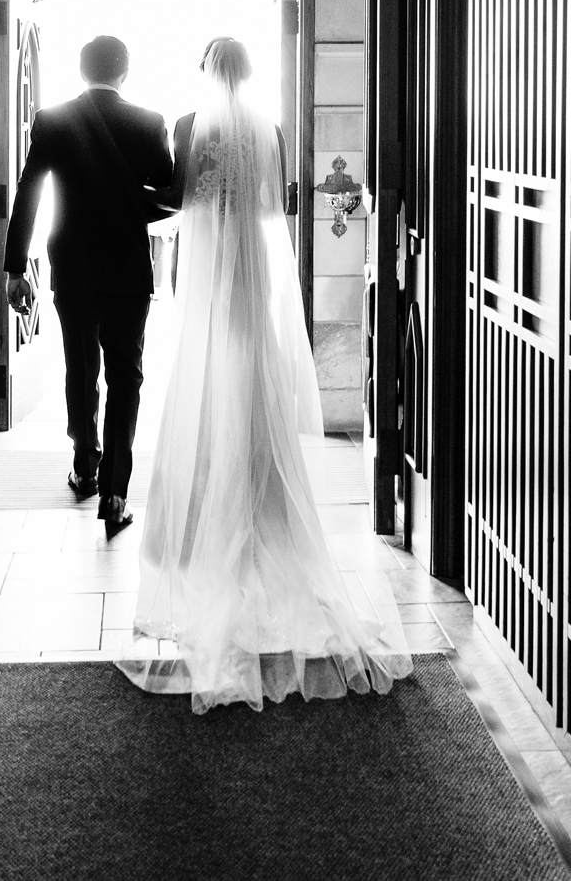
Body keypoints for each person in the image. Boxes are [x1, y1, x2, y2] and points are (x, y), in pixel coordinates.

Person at [117, 38, 412, 712]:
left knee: (205, 397)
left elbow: (179, 194)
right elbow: (270, 207)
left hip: (210, 286)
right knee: (251, 401)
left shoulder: (191, 126)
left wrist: (130, 193)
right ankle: (257, 508)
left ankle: (209, 530)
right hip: (250, 284)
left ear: (204, 72)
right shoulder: (270, 129)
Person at [3, 35, 173, 535]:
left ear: (82, 71)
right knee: (127, 375)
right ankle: (117, 492)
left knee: (80, 366)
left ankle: (85, 464)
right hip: (126, 267)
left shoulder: (52, 120)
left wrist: (15, 267)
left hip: (72, 264)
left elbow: (29, 192)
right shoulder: (148, 122)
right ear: (125, 71)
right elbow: (165, 188)